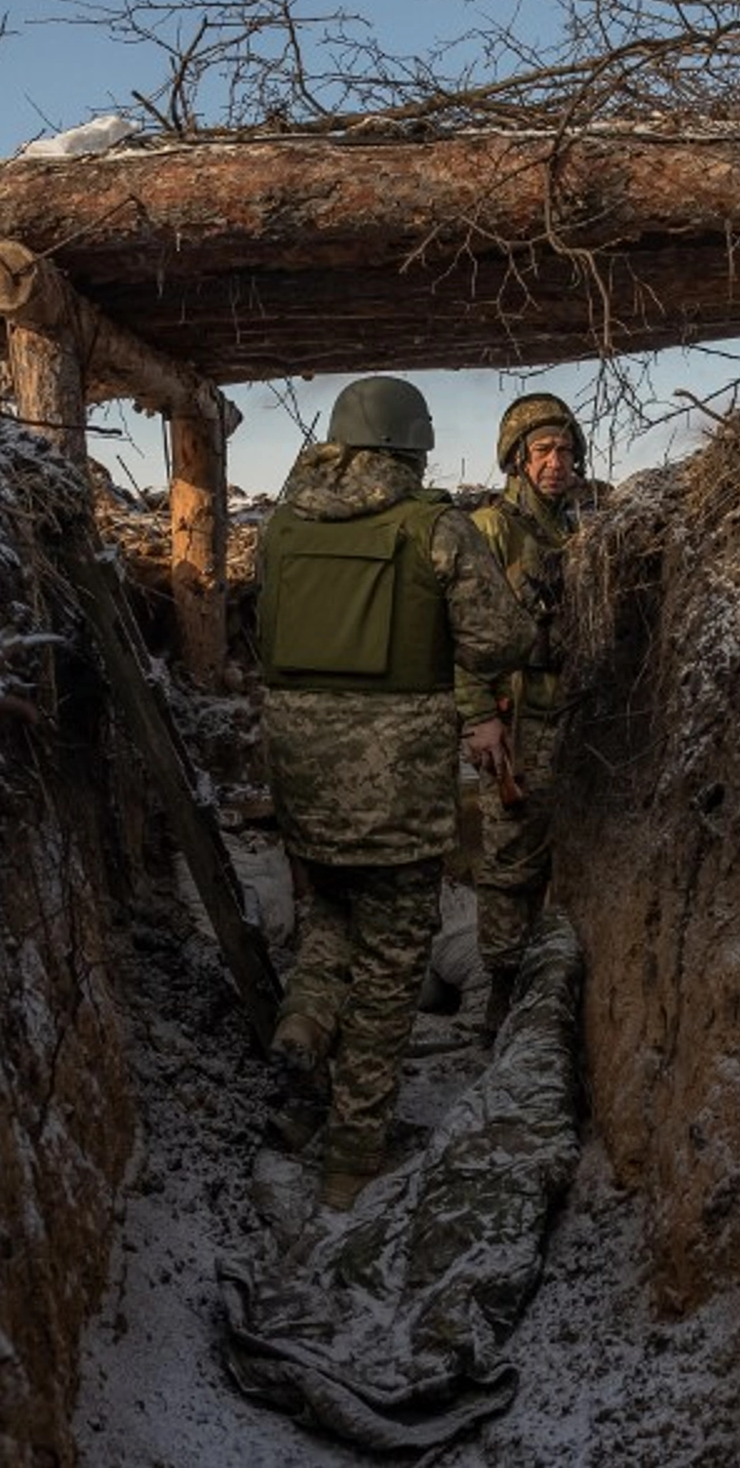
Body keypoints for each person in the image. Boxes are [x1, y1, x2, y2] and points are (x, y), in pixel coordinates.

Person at [257, 375, 535, 1212]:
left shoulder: (282, 523)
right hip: (397, 783)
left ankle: (304, 1019)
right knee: (390, 965)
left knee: (331, 917)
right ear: (411, 447)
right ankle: (352, 1152)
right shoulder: (434, 526)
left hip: (302, 772)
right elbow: (497, 639)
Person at [455, 392, 591, 1041]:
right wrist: (480, 715)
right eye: (542, 451)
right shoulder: (489, 529)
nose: (556, 463)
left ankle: (554, 983)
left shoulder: (582, 528)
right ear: (517, 458)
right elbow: (463, 630)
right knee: (510, 858)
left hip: (579, 711)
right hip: (519, 717)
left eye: (565, 450)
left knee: (574, 849)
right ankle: (501, 996)